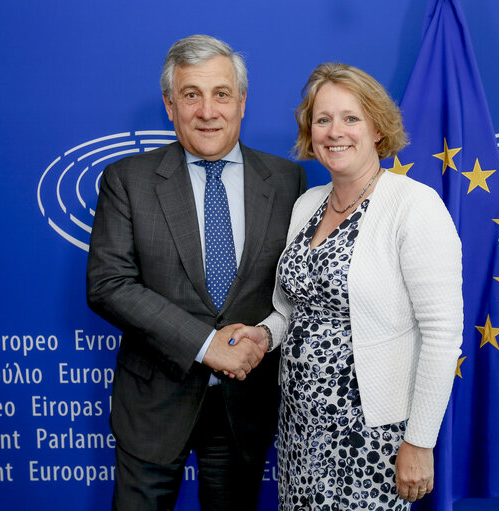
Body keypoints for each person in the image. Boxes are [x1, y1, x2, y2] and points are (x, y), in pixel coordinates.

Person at [86, 34, 306, 511]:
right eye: (192, 95)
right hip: (153, 402)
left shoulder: (288, 181)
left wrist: (257, 340)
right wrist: (207, 347)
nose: (208, 111)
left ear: (242, 102)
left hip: (244, 403)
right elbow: (109, 284)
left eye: (221, 94)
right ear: (170, 105)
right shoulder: (128, 180)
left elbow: (293, 289)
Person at [232, 63, 463, 510]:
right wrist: (265, 334)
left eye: (350, 118)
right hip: (300, 428)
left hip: (372, 435)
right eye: (322, 120)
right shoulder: (307, 205)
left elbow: (442, 333)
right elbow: (292, 310)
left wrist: (419, 442)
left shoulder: (414, 206)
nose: (335, 131)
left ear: (377, 128)